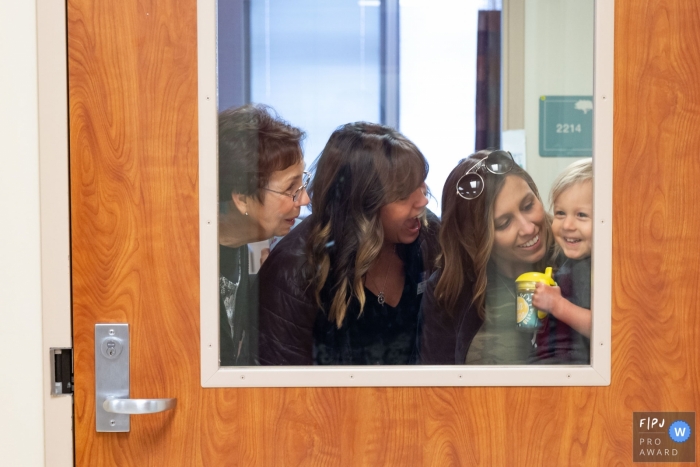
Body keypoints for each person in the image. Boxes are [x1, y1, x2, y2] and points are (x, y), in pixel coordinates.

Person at [257, 122, 440, 365]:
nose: (422, 202)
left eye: (421, 184)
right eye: (404, 194)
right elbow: (282, 388)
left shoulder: (428, 236)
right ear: (361, 204)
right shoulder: (295, 269)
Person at [418, 150, 554, 364]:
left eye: (528, 206)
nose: (528, 228)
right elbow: (437, 389)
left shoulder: (574, 259)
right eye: (504, 223)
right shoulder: (449, 291)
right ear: (475, 237)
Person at [218, 104, 309, 366]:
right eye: (291, 188)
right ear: (242, 198)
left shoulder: (244, 252)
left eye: (302, 184)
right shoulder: (191, 269)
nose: (304, 198)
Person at [531, 158, 592, 364]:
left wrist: (557, 305)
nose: (567, 225)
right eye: (560, 213)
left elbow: (603, 328)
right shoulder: (572, 261)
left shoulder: (593, 269)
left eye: (581, 215)